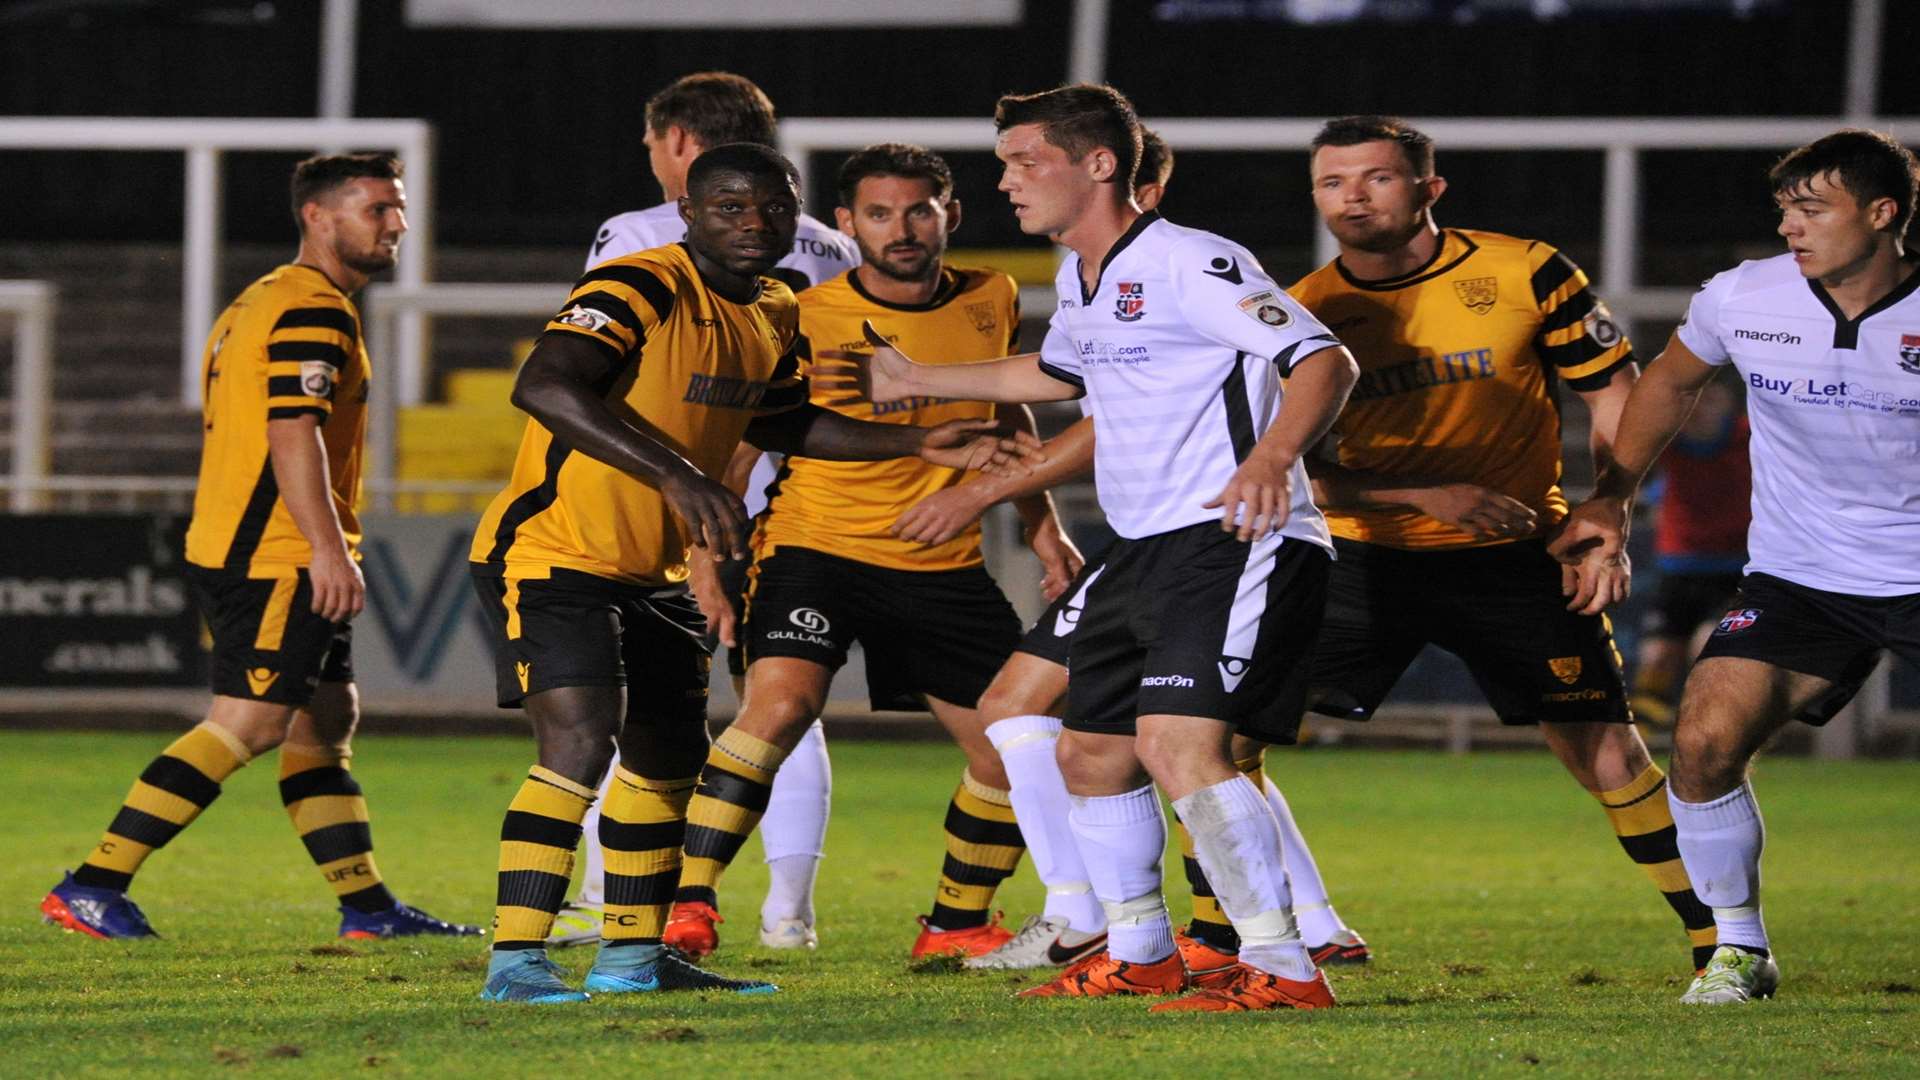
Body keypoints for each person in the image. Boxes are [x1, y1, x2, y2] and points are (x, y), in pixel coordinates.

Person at [824, 84, 1359, 1013]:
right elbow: (1056, 372)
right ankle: (1141, 952)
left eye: (1025, 161)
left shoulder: (1196, 260)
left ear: (1099, 164)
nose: (1006, 181)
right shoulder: (1080, 276)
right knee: (1091, 756)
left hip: (1231, 535)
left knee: (1178, 746)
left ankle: (1284, 966)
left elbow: (1322, 359)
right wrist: (917, 377)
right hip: (1144, 543)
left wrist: (1273, 459)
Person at [469, 143, 1035, 1004]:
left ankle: (630, 960)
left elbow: (789, 424)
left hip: (654, 569)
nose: (753, 223)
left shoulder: (775, 307)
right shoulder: (638, 283)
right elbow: (545, 384)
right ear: (689, 212)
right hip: (553, 552)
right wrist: (679, 475)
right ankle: (516, 962)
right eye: (730, 207)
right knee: (581, 741)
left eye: (772, 208)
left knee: (665, 761)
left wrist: (918, 440)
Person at [1286, 116, 1719, 974]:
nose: (1353, 197)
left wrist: (1609, 511)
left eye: (1376, 177)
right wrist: (1420, 493)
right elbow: (1289, 469)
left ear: (1428, 188)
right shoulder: (1303, 311)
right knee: (1223, 737)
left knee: (1602, 746)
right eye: (1333, 183)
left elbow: (1613, 393)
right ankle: (1276, 929)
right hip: (1360, 555)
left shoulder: (1524, 270)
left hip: (1517, 550)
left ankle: (1721, 940)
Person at [656, 143, 1081, 960]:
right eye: (880, 214)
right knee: (779, 708)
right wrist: (705, 555)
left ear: (950, 215)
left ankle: (957, 922)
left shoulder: (993, 296)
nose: (903, 229)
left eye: (920, 210)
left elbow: (1010, 417)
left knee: (1015, 744)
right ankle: (689, 903)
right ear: (846, 224)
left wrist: (1043, 527)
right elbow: (745, 442)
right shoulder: (799, 311)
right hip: (816, 548)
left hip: (940, 562)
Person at [40, 153, 479, 942]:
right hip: (276, 554)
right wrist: (325, 547)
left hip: (247, 542)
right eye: (377, 208)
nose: (397, 226)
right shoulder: (313, 309)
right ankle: (93, 884)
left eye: (399, 209)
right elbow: (292, 430)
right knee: (248, 724)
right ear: (318, 215)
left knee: (323, 722)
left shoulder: (260, 300)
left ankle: (369, 908)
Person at [1553, 128, 1920, 1004]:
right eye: (1785, 210)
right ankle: (1740, 950)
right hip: (1803, 575)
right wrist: (1611, 495)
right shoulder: (1745, 297)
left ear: (1884, 214)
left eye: (1813, 209)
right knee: (1705, 741)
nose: (1792, 229)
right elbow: (1672, 382)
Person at [553, 70, 857, 947]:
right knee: (782, 703)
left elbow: (591, 361)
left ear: (681, 145)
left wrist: (688, 486)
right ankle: (789, 911)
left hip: (670, 501)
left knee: (630, 714)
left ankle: (625, 904)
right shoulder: (829, 245)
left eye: (653, 142)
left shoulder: (645, 234)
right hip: (792, 501)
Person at [1630, 377, 1751, 726]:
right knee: (1656, 655)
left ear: (1729, 402)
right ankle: (1643, 744)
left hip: (1736, 568)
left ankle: (1714, 727)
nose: (1701, 408)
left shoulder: (1752, 438)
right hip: (1680, 568)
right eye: (1695, 399)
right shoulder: (1668, 441)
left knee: (1708, 645)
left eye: (1711, 398)